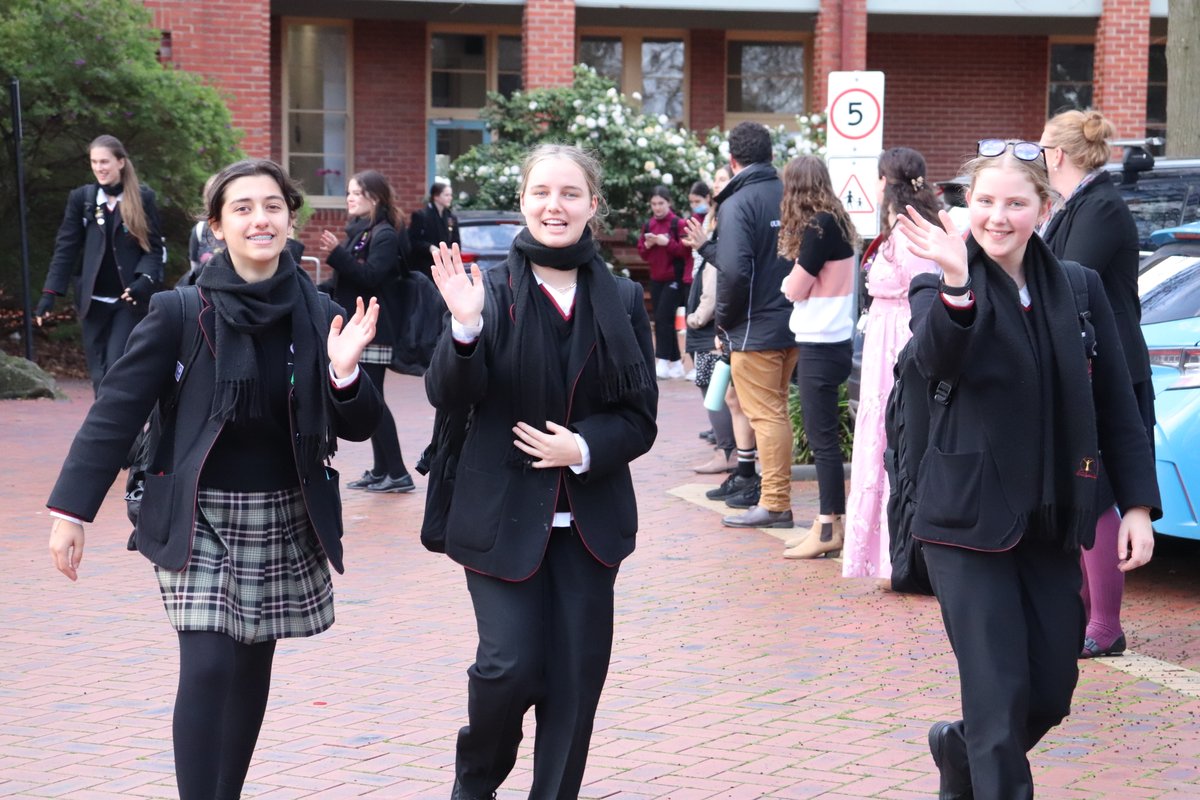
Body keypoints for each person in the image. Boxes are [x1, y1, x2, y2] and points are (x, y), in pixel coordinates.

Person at [46, 158, 383, 800]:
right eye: (242, 208)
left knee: (251, 667)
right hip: (196, 513)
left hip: (284, 512)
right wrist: (72, 512)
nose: (260, 219)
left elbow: (363, 424)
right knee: (207, 666)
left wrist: (343, 374)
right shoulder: (180, 311)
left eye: (273, 207)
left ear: (290, 219)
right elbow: (116, 411)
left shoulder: (319, 312)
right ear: (217, 226)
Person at [897, 140, 1159, 800]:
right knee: (997, 696)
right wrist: (957, 285)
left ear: (1044, 208)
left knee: (1048, 692)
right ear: (966, 204)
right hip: (966, 520)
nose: (998, 216)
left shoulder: (1078, 287)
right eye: (985, 200)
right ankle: (983, 759)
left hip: (1051, 515)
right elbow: (935, 362)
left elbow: (1117, 401)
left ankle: (957, 751)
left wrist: (1135, 505)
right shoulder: (937, 281)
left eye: (1016, 203)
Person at [425, 143, 657, 800]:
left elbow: (639, 418)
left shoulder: (620, 296)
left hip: (589, 524)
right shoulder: (487, 290)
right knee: (509, 667)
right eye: (541, 193)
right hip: (499, 516)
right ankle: (477, 781)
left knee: (576, 682)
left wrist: (580, 447)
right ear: (523, 201)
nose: (555, 206)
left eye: (570, 193)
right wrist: (464, 329)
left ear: (592, 205)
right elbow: (450, 394)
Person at [1040, 109, 1153, 659]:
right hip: (1083, 361)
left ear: (1058, 154)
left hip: (1110, 366)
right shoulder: (1078, 204)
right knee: (1086, 485)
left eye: (1040, 149)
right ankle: (1086, 614)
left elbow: (1066, 276)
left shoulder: (1101, 205)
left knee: (1102, 488)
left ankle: (1105, 624)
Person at [841, 148, 940, 578]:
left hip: (898, 339)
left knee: (892, 436)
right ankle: (880, 553)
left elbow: (924, 288)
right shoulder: (899, 230)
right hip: (883, 336)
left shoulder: (910, 233)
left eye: (880, 178)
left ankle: (894, 554)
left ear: (889, 183)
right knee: (879, 436)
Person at [714, 122, 800, 530]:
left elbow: (733, 271)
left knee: (766, 417)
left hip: (753, 327)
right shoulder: (790, 195)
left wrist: (723, 322)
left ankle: (775, 502)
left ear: (733, 160)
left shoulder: (737, 202)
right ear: (771, 155)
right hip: (793, 321)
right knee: (776, 412)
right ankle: (774, 497)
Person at [35, 134, 165, 395]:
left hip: (126, 302)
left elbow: (154, 250)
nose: (99, 168)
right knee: (98, 376)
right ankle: (110, 420)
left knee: (116, 369)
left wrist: (143, 281)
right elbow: (66, 248)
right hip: (92, 302)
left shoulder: (142, 198)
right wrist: (50, 293)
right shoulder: (83, 199)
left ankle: (118, 421)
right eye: (94, 162)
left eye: (104, 161)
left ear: (120, 162)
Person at [774, 156, 859, 553]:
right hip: (835, 341)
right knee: (825, 439)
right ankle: (829, 524)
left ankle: (827, 529)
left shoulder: (818, 226)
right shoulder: (836, 220)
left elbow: (796, 287)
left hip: (820, 344)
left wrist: (788, 284)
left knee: (822, 440)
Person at [319, 169, 414, 493]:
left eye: (356, 193)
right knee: (370, 398)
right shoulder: (362, 232)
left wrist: (337, 254)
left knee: (374, 400)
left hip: (375, 328)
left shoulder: (385, 234)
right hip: (359, 326)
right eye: (348, 192)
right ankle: (381, 469)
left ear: (374, 198)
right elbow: (346, 279)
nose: (349, 198)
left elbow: (371, 276)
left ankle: (398, 473)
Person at [683, 168, 736, 474]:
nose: (717, 185)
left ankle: (726, 451)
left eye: (722, 178)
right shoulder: (716, 217)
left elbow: (714, 280)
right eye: (715, 179)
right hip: (707, 320)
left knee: (713, 387)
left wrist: (697, 317)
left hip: (708, 324)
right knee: (715, 387)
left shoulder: (727, 221)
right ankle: (728, 448)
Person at [637, 184, 691, 379]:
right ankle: (675, 363)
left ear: (669, 203)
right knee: (664, 320)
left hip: (674, 278)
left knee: (662, 318)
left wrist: (667, 243)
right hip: (656, 278)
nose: (657, 207)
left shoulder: (678, 223)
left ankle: (661, 360)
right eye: (654, 204)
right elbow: (642, 253)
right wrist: (648, 244)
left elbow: (686, 251)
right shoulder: (649, 225)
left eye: (661, 203)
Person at [409, 181, 460, 276]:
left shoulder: (451, 217)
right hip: (425, 267)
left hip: (445, 267)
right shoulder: (421, 215)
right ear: (436, 196)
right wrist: (430, 247)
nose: (450, 198)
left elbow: (456, 240)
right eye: (446, 195)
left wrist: (451, 250)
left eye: (450, 195)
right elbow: (413, 241)